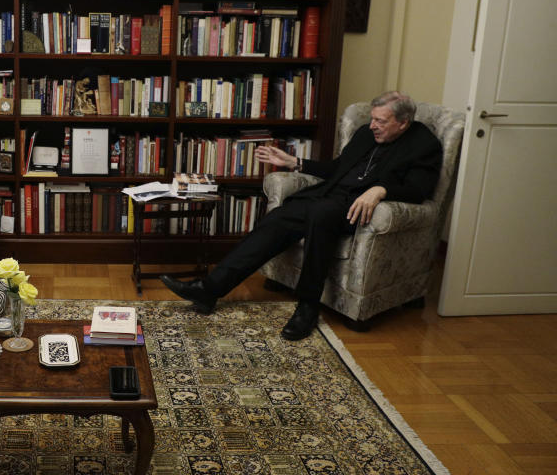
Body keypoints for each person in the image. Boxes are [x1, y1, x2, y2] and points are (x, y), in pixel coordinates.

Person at [160, 91, 442, 340]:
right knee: (278, 217)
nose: (373, 126)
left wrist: (380, 189)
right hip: (328, 198)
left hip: (357, 210)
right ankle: (210, 289)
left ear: (403, 123)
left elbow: (420, 190)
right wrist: (295, 162)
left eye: (381, 121)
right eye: (373, 118)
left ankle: (308, 306)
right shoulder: (365, 134)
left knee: (321, 215)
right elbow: (337, 169)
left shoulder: (423, 145)